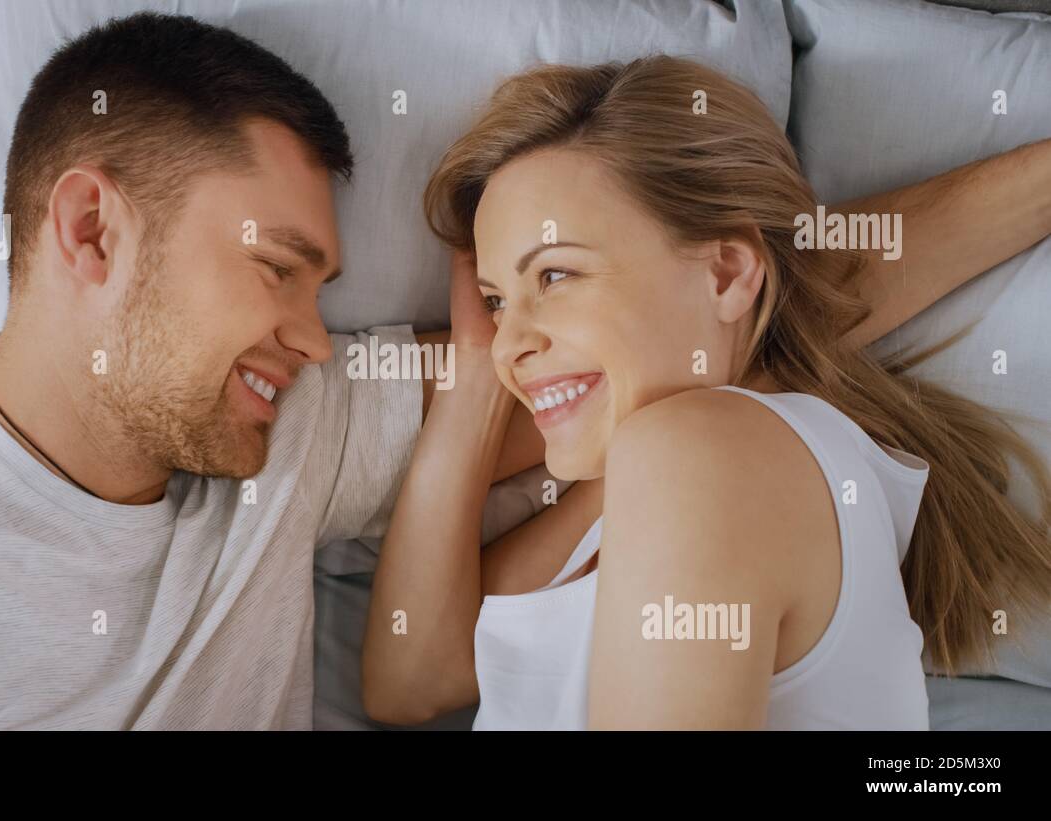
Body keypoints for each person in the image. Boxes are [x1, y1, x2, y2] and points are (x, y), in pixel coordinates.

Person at [0, 12, 541, 730]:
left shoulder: (284, 440)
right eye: (274, 268)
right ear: (91, 230)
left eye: (318, 292)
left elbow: (571, 372)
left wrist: (483, 362)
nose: (317, 343)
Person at [361, 56, 1051, 729]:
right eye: (494, 300)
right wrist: (473, 387)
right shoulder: (659, 470)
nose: (510, 342)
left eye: (554, 275)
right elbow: (413, 681)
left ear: (725, 274)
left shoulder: (695, 450)